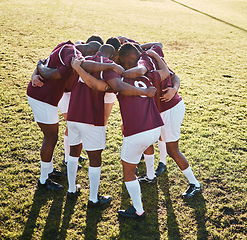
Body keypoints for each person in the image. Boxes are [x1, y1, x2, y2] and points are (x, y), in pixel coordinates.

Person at [66, 44, 157, 209]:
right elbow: (104, 86)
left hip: (72, 114)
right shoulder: (107, 65)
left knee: (73, 153)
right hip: (91, 117)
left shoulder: (82, 60)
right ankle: (93, 199)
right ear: (114, 55)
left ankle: (72, 190)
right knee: (95, 159)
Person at [27, 40, 124, 191]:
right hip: (42, 97)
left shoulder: (66, 46)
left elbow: (45, 62)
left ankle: (49, 170)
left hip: (47, 96)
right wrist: (111, 65)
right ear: (91, 52)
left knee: (54, 136)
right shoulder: (74, 55)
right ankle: (43, 179)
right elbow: (49, 68)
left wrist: (37, 69)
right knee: (51, 137)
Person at [120, 41, 201, 198]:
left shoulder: (145, 61)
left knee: (172, 149)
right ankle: (150, 176)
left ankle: (195, 183)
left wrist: (174, 90)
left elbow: (171, 75)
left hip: (169, 108)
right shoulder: (150, 55)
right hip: (158, 109)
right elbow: (168, 68)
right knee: (149, 140)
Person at [116, 43, 169, 219]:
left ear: (123, 59)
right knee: (145, 146)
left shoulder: (119, 78)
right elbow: (166, 73)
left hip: (138, 131)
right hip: (155, 128)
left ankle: (138, 210)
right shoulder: (147, 77)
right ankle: (150, 174)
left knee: (128, 171)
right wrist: (155, 55)